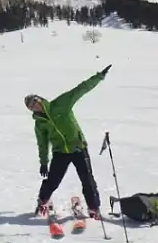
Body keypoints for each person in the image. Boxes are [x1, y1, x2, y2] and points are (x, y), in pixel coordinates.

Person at [24, 65, 112, 220]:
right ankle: (42, 201)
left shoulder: (61, 104)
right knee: (53, 181)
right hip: (60, 152)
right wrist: (43, 162)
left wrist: (99, 77)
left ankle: (94, 208)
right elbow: (42, 144)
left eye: (35, 101)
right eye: (32, 106)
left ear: (40, 99)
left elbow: (80, 89)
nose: (35, 106)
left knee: (87, 180)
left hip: (78, 147)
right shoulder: (39, 123)